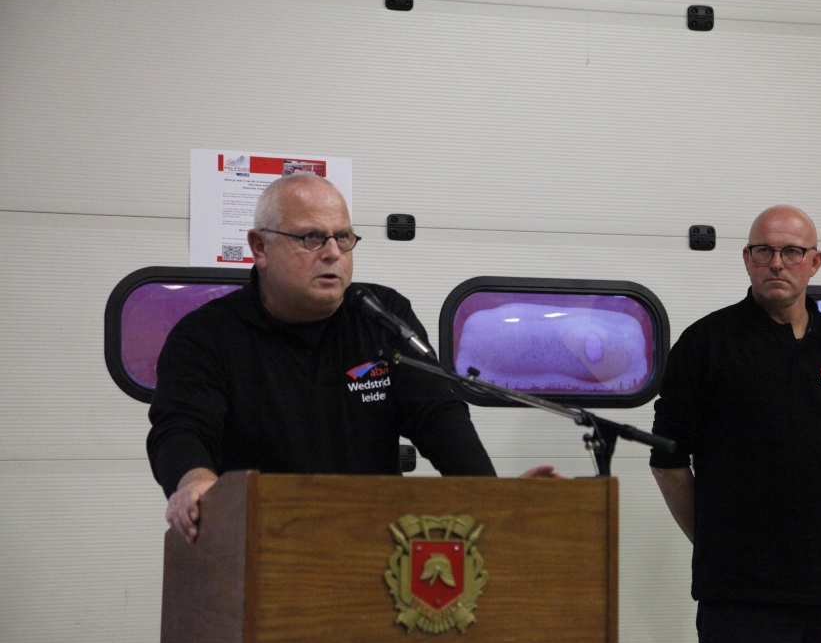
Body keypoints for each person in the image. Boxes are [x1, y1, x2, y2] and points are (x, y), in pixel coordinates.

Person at [148, 172, 559, 544]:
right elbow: (181, 428)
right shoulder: (205, 336)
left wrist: (493, 497)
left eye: (343, 237)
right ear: (260, 246)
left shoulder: (381, 315)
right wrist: (194, 480)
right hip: (260, 542)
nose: (332, 253)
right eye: (311, 238)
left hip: (374, 543)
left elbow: (438, 416)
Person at [649, 205, 821, 643]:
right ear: (747, 258)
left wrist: (810, 529)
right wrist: (718, 539)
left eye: (792, 251)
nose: (777, 263)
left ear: (815, 262)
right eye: (764, 251)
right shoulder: (706, 343)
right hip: (740, 596)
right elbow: (667, 461)